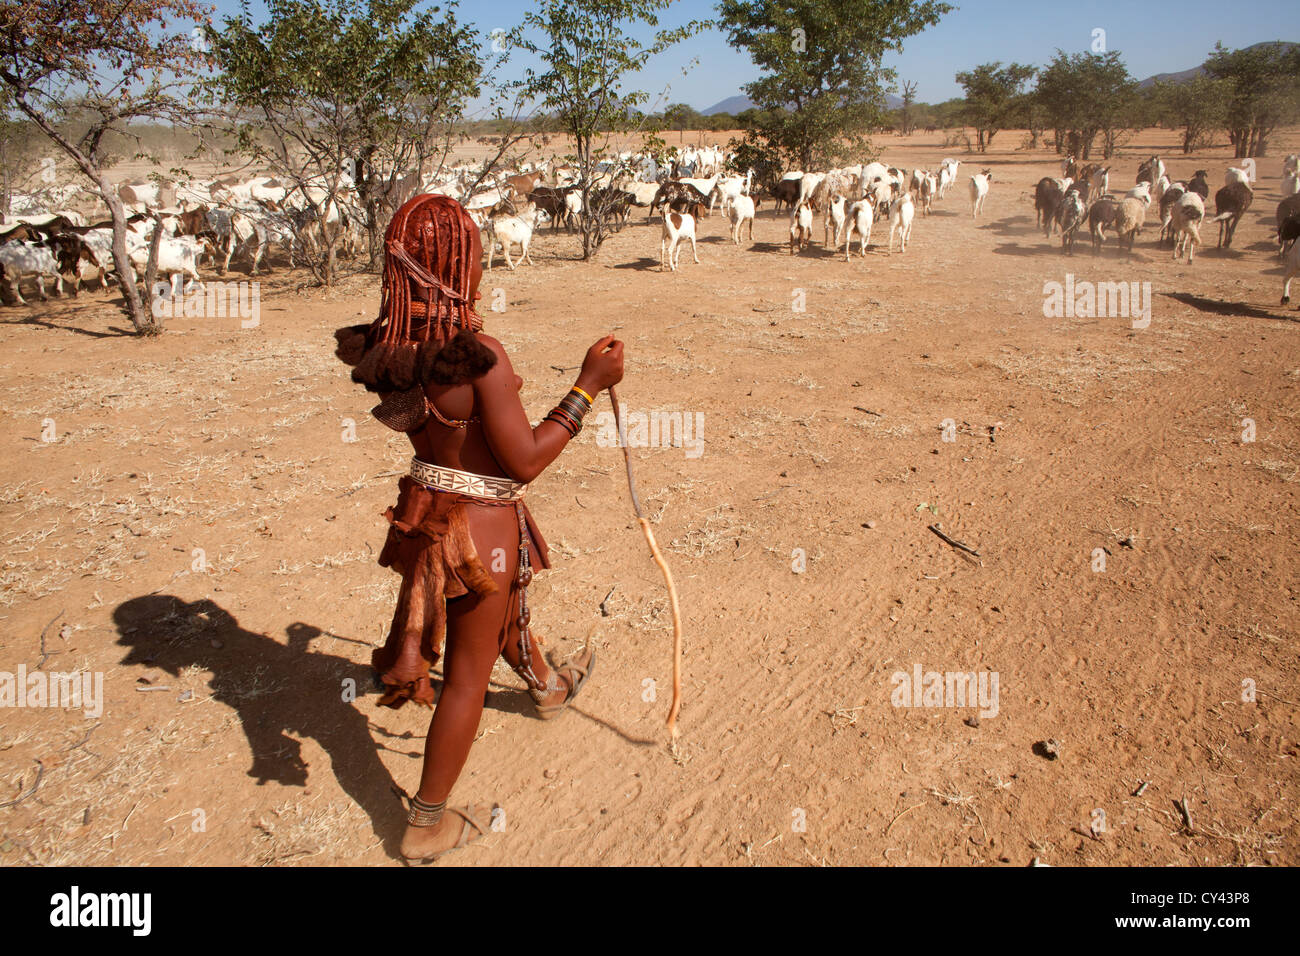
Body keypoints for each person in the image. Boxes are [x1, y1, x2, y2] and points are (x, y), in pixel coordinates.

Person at [336, 193, 624, 862]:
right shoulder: (478, 356)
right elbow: (523, 462)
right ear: (459, 265)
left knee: (497, 615)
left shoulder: (389, 345)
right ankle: (424, 824)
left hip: (427, 513)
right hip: (480, 526)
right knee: (466, 676)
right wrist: (588, 384)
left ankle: (548, 686)